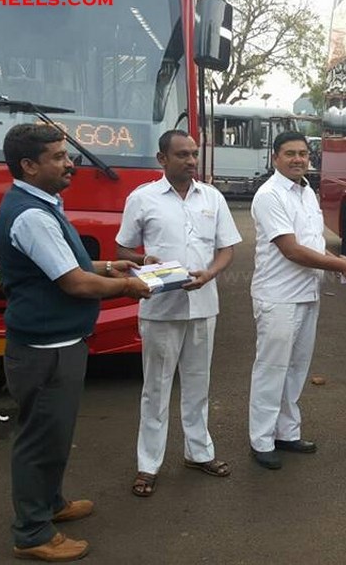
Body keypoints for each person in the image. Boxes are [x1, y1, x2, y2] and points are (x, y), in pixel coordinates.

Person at [0, 123, 151, 562]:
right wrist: (128, 287)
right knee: (40, 440)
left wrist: (111, 266)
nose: (70, 164)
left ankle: (51, 504)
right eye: (59, 157)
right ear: (29, 165)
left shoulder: (40, 204)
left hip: (57, 344)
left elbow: (69, 264)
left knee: (55, 433)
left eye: (68, 155)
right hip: (45, 351)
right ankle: (32, 533)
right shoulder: (31, 216)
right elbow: (75, 283)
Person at [115, 130, 242, 497]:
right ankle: (148, 464)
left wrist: (210, 274)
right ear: (162, 159)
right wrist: (143, 259)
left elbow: (226, 249)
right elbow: (123, 249)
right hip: (160, 308)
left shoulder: (212, 197)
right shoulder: (142, 198)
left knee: (198, 385)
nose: (190, 161)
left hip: (204, 306)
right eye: (182, 154)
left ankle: (198, 453)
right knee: (155, 389)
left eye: (193, 154)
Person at [248, 130, 346, 470]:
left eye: (302, 153)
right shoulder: (270, 195)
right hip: (278, 297)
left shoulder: (306, 192)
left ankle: (287, 432)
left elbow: (314, 246)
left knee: (296, 369)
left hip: (306, 294)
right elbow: (292, 250)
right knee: (272, 370)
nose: (298, 159)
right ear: (275, 158)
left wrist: (345, 263)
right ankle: (261, 440)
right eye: (290, 153)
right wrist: (344, 266)